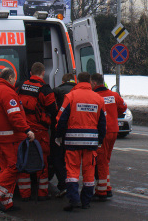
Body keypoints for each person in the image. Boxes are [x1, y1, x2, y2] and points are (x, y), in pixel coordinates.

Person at [0, 68, 35, 212]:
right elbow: (15, 116)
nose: (14, 81)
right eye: (14, 78)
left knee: (5, 169)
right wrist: (27, 130)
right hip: (10, 137)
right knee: (14, 167)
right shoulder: (8, 92)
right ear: (10, 77)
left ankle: (6, 202)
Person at [56, 72, 106, 211]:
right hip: (91, 142)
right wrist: (99, 139)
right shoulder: (98, 99)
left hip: (72, 141)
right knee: (89, 172)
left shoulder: (71, 97)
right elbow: (103, 123)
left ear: (77, 81)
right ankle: (86, 201)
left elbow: (61, 119)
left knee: (72, 172)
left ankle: (74, 200)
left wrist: (59, 136)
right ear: (90, 81)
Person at [16, 62, 57, 201]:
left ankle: (25, 194)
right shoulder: (45, 89)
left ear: (30, 73)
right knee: (42, 162)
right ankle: (42, 193)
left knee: (23, 161)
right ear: (43, 72)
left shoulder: (20, 86)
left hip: (23, 130)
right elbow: (53, 110)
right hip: (40, 131)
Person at [91, 73, 127, 201]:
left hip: (102, 132)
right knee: (105, 160)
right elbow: (123, 107)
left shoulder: (95, 96)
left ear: (95, 83)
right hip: (113, 131)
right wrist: (113, 114)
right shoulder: (114, 95)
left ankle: (101, 191)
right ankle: (107, 187)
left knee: (101, 161)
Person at [50, 73, 76, 198]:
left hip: (61, 130)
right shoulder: (78, 91)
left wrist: (57, 134)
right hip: (77, 131)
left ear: (63, 81)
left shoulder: (57, 91)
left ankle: (63, 184)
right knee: (72, 162)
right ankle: (73, 188)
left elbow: (55, 112)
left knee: (57, 158)